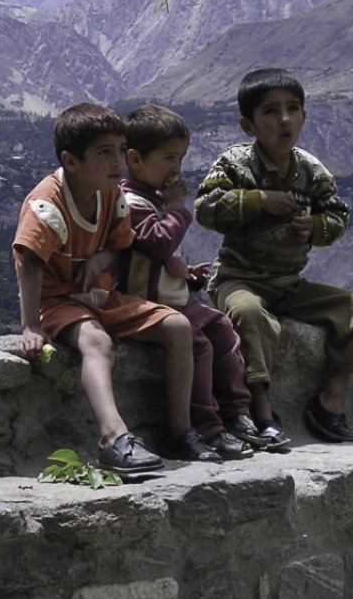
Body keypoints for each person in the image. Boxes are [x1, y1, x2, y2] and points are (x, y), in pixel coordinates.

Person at [14, 103, 221, 471]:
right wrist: (31, 325)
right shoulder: (48, 202)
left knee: (177, 326)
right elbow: (29, 262)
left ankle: (181, 430)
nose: (118, 162)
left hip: (99, 297)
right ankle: (113, 438)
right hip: (57, 300)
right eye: (104, 152)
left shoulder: (109, 193)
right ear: (71, 161)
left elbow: (120, 243)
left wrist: (99, 260)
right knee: (97, 343)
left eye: (119, 149)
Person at [194, 68, 353, 448]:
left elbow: (338, 215)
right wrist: (258, 201)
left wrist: (316, 227)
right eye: (271, 111)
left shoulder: (309, 169)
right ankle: (260, 411)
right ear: (248, 125)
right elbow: (205, 209)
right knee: (250, 315)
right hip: (239, 278)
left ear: (304, 117)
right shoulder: (236, 164)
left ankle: (331, 403)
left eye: (293, 109)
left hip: (288, 283)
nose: (284, 119)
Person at [117, 104, 259, 460]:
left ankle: (237, 412)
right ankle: (206, 429)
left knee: (222, 327)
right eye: (168, 158)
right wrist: (180, 207)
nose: (176, 168)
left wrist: (185, 273)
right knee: (199, 345)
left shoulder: (153, 198)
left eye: (180, 158)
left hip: (170, 299)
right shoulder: (130, 201)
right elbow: (157, 241)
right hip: (144, 305)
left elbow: (157, 257)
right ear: (134, 159)